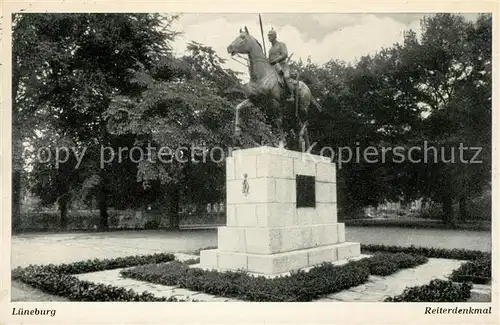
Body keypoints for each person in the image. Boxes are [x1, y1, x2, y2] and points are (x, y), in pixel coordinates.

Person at [267, 29, 295, 102]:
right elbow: (270, 60)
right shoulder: (270, 50)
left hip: (283, 66)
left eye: (270, 35)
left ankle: (292, 95)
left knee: (286, 77)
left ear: (275, 36)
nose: (269, 36)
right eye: (268, 35)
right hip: (273, 68)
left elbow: (285, 54)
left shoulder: (281, 44)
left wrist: (275, 60)